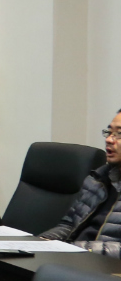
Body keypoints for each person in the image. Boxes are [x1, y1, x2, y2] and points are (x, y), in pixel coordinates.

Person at [39, 108, 121, 253]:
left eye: (119, 134)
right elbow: (69, 225)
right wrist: (42, 242)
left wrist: (75, 249)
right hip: (74, 257)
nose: (109, 139)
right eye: (109, 132)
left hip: (101, 264)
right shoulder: (98, 179)